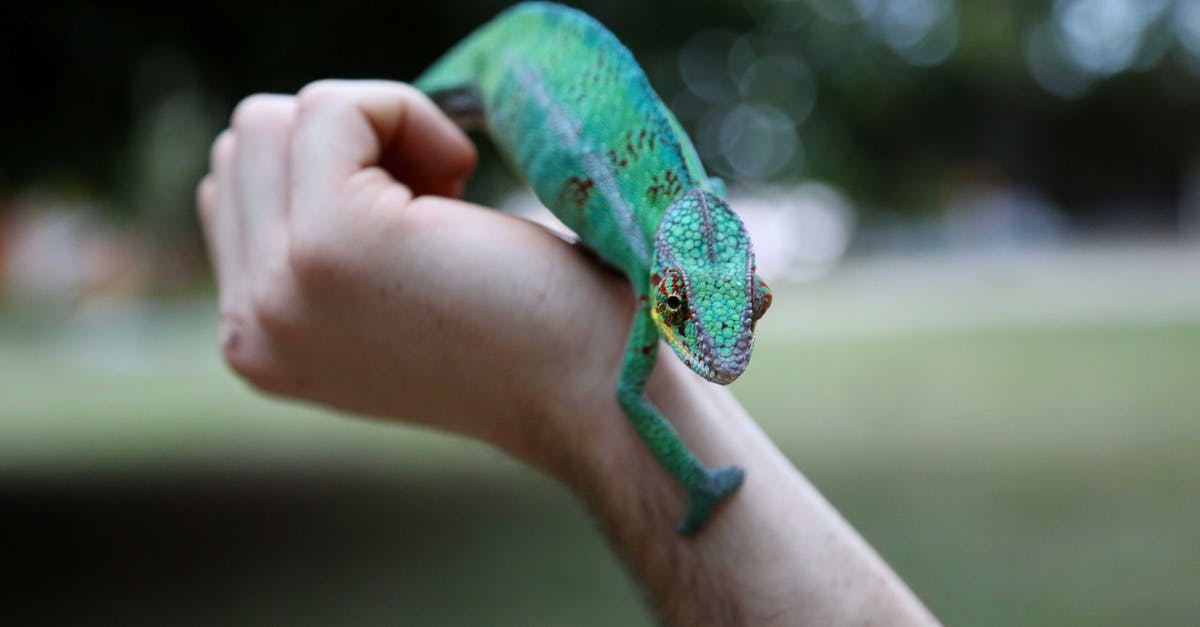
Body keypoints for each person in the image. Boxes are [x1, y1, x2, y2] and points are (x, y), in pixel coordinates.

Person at [196, 79, 939, 626]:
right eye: (679, 308)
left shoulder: (685, 241)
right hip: (514, 77)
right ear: (664, 288)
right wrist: (696, 481)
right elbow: (627, 393)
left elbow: (696, 203)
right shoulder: (663, 261)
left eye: (750, 303)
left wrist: (567, 351)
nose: (723, 346)